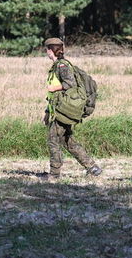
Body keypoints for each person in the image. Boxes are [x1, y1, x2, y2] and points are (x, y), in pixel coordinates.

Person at [43, 37, 101, 178]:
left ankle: (54, 174)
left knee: (54, 140)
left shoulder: (62, 66)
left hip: (63, 110)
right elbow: (53, 96)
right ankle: (92, 168)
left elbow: (70, 83)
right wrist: (47, 112)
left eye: (47, 49)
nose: (46, 52)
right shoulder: (58, 65)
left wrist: (54, 87)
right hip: (58, 109)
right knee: (68, 141)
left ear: (51, 50)